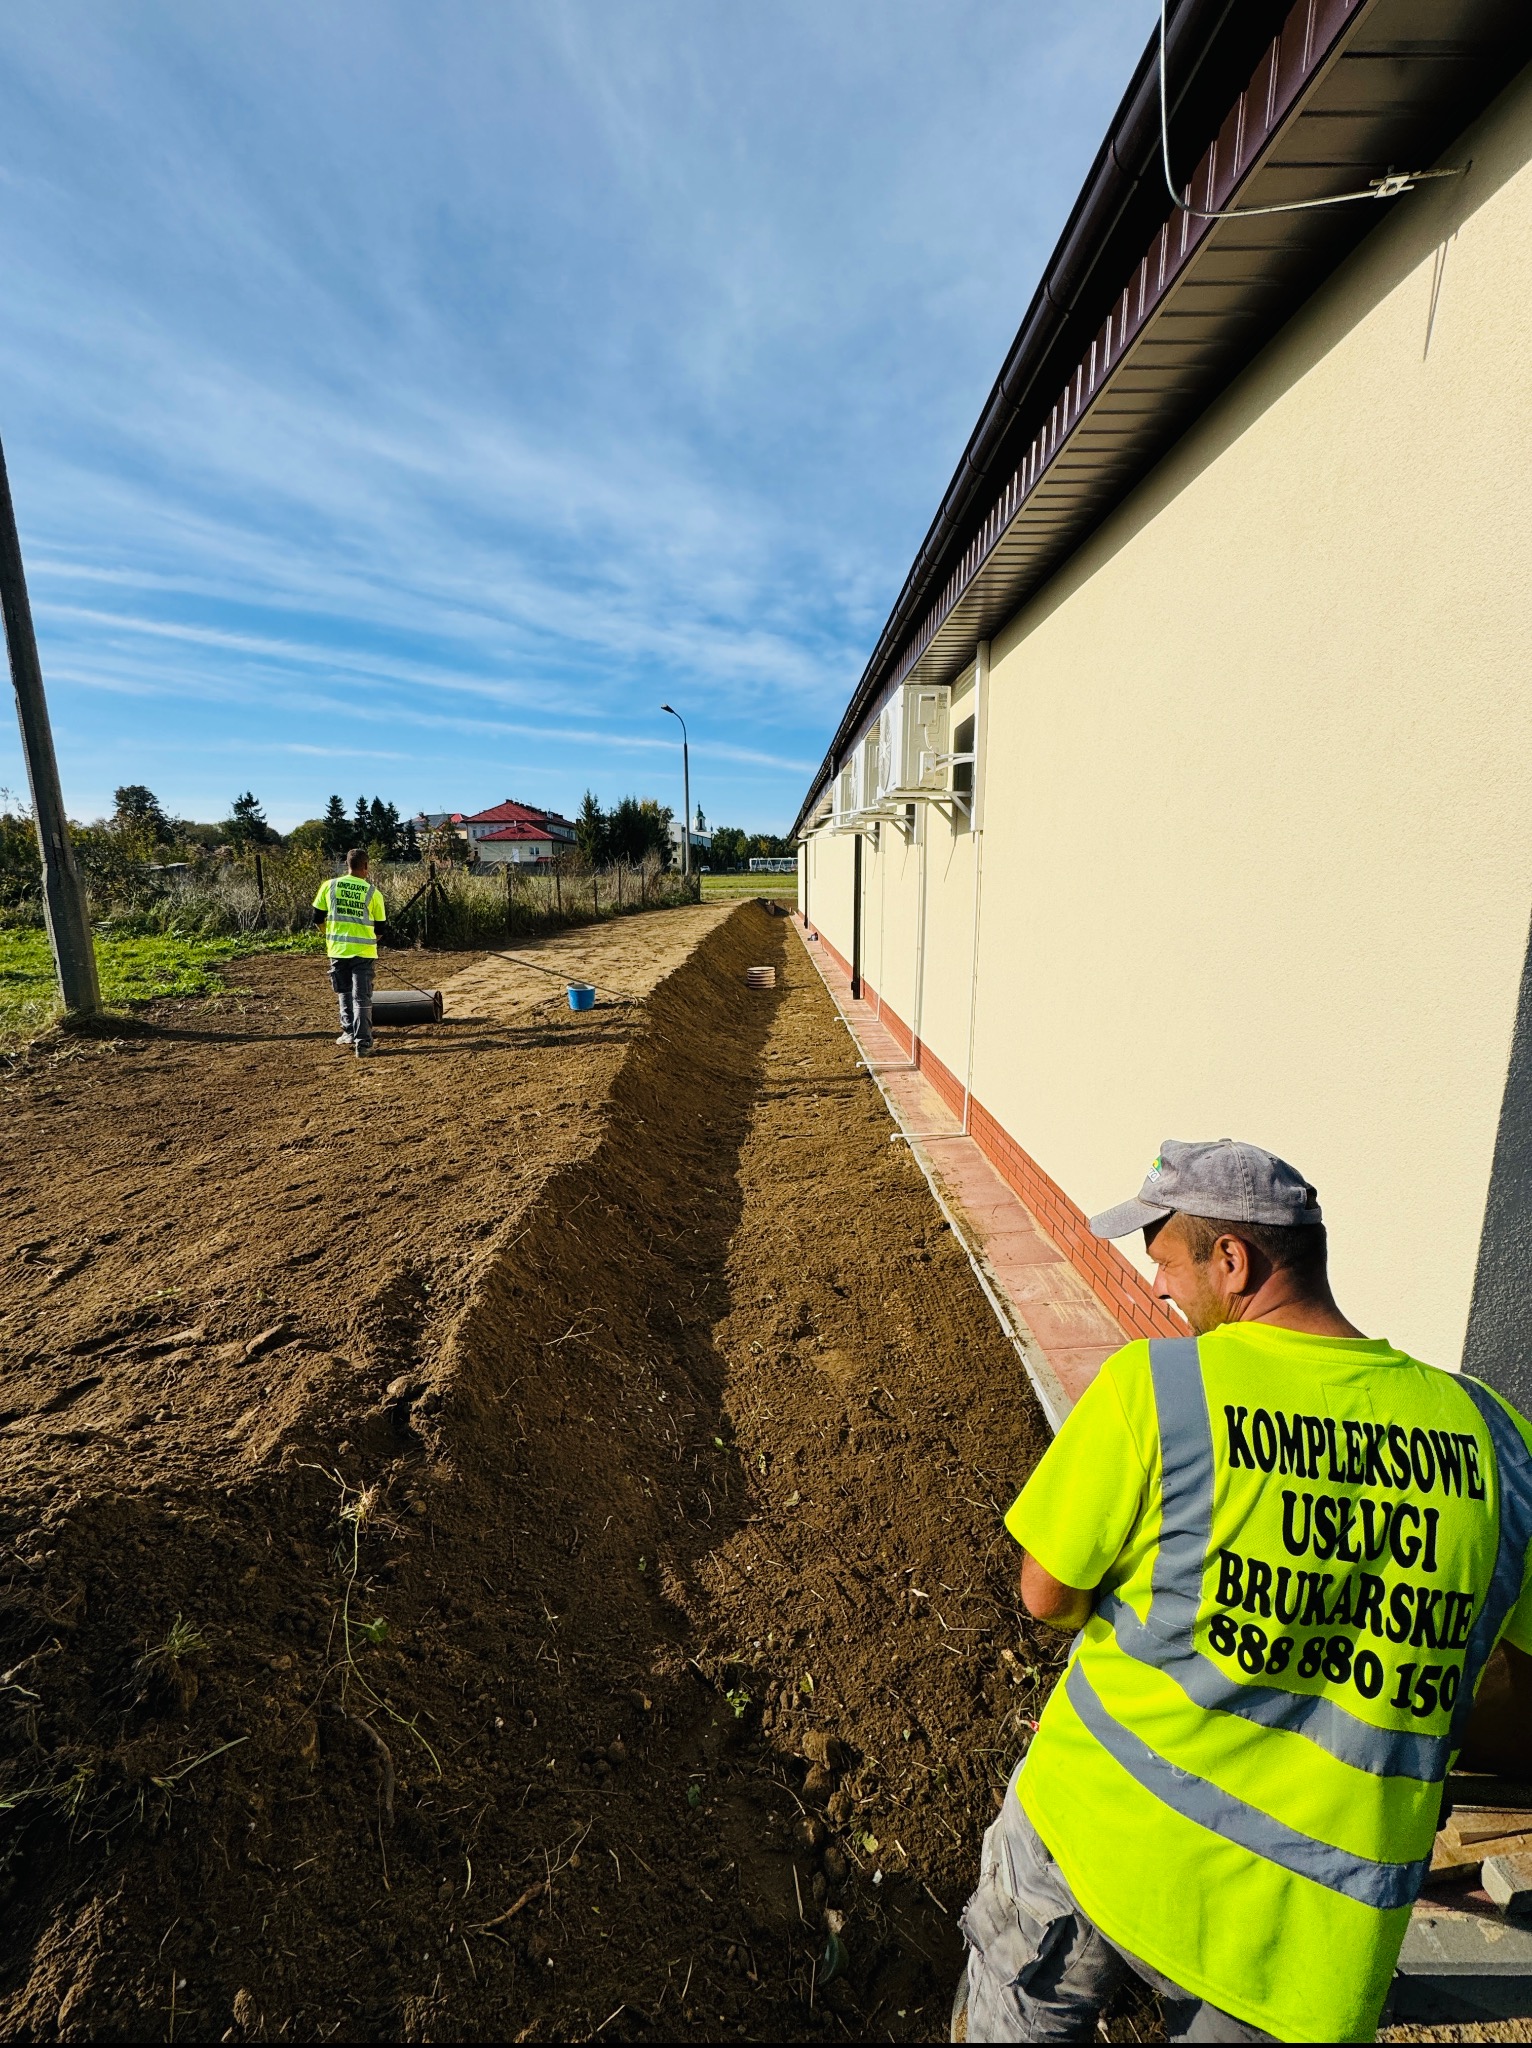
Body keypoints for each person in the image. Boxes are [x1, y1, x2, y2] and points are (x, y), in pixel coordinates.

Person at [957, 1138, 1532, 2044]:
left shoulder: (1159, 1388)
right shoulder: (1497, 1443)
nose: (1157, 1290)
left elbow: (1045, 1592)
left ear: (1234, 1261)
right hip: (1304, 1935)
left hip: (1102, 1840)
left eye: (1166, 1262)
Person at [312, 847, 389, 1058]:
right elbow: (380, 929)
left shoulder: (329, 886)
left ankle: (348, 1032)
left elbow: (317, 918)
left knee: (344, 992)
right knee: (361, 997)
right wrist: (371, 941)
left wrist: (329, 935)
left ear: (347, 865)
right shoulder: (373, 892)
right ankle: (363, 1044)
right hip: (364, 952)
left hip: (337, 950)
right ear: (365, 866)